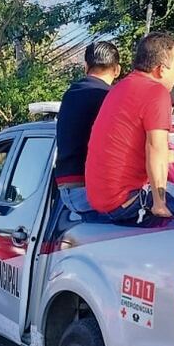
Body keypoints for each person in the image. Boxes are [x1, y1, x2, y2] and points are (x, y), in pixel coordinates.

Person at [85, 32, 174, 223]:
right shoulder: (156, 92)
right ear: (161, 69)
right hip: (123, 201)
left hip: (98, 200)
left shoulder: (120, 88)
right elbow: (156, 148)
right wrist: (159, 203)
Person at [54, 40, 122, 217]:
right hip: (88, 190)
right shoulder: (112, 99)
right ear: (117, 70)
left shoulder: (70, 94)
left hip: (67, 188)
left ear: (86, 67)